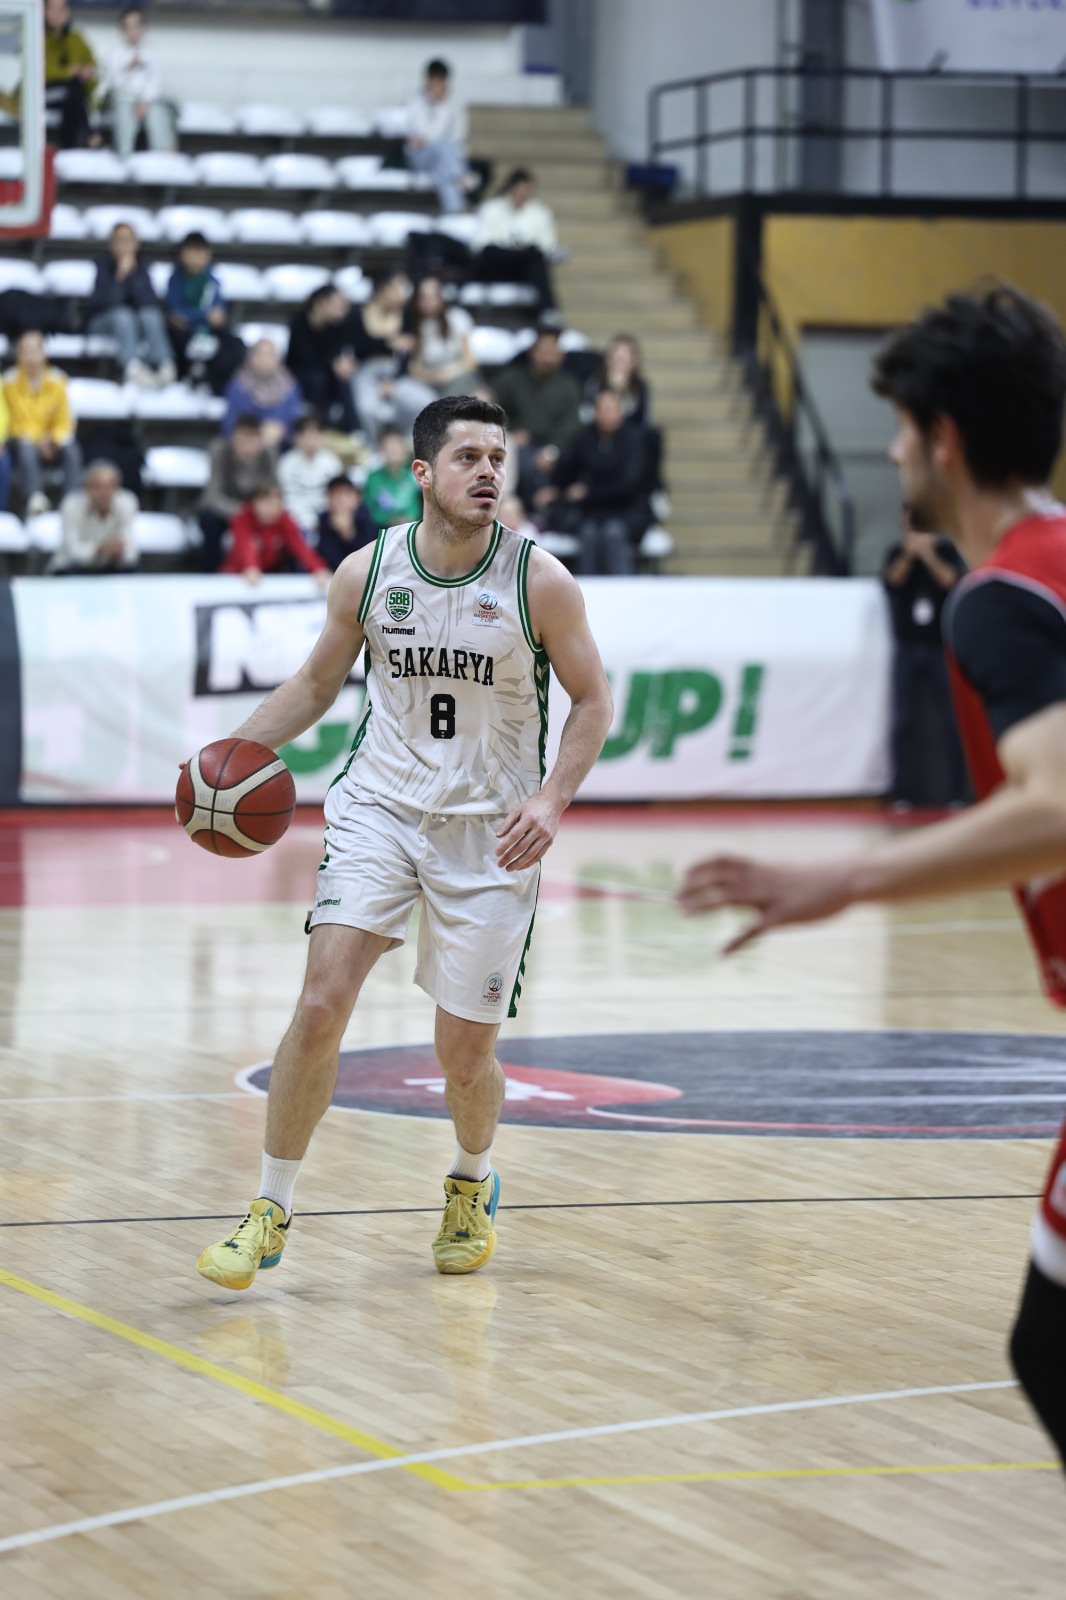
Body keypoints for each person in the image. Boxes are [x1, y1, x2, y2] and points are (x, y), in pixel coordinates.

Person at [677, 284, 1066, 1475]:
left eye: (898, 425)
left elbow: (1054, 805)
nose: (891, 448)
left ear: (941, 436)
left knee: (1051, 1351)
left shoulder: (999, 599)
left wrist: (837, 881)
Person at [195, 393, 613, 1292]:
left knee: (464, 1056)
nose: (489, 472)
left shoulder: (540, 580)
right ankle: (270, 1207)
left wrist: (552, 799)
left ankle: (471, 1179)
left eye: (498, 456)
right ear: (422, 473)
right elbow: (315, 681)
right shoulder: (368, 569)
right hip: (379, 808)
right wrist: (232, 757)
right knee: (319, 1005)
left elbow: (594, 701)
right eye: (468, 457)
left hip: (491, 836)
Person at [881, 509, 968, 808]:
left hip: (939, 647)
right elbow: (892, 581)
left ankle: (958, 792)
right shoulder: (896, 552)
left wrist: (928, 554)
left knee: (951, 720)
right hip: (906, 646)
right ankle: (901, 792)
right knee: (902, 720)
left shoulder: (945, 550)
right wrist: (909, 554)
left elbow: (951, 580)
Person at [540, 388, 652, 576]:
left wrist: (589, 492)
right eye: (602, 409)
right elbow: (568, 469)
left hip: (626, 510)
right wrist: (557, 490)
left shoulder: (635, 440)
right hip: (591, 512)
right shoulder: (585, 438)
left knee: (612, 533)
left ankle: (624, 588)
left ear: (621, 411)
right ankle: (586, 593)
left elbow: (630, 484)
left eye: (611, 409)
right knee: (588, 533)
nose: (607, 414)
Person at [493, 326, 584, 509]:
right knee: (520, 462)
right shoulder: (512, 380)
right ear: (532, 353)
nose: (547, 358)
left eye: (552, 352)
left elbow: (572, 423)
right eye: (542, 351)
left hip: (557, 445)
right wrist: (508, 433)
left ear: (561, 356)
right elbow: (492, 408)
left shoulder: (569, 385)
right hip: (519, 443)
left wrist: (552, 449)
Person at [86, 222, 175, 389]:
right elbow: (104, 304)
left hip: (132, 324)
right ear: (110, 244)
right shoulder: (102, 266)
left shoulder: (142, 268)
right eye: (120, 240)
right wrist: (120, 276)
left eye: (129, 240)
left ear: (137, 244)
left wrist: (133, 276)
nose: (125, 245)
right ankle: (132, 368)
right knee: (122, 314)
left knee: (150, 315)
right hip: (102, 322)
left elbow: (149, 303)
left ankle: (164, 365)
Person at [351, 269, 435, 446]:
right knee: (367, 408)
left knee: (425, 400)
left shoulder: (404, 315)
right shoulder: (358, 314)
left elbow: (406, 353)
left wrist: (395, 379)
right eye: (398, 287)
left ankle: (407, 447)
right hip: (367, 371)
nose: (402, 293)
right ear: (383, 288)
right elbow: (358, 348)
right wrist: (388, 343)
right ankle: (375, 448)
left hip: (396, 371)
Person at [4, 329, 82, 515]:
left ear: (44, 353)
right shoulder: (8, 382)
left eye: (35, 350)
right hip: (20, 440)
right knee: (25, 445)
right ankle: (35, 497)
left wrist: (53, 439)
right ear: (18, 355)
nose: (31, 356)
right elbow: (10, 422)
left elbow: (65, 419)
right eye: (26, 351)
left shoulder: (58, 381)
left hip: (50, 441)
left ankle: (72, 502)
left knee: (72, 448)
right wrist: (38, 439)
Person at [164, 232, 245, 396]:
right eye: (192, 253)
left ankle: (222, 388)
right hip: (184, 334)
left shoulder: (212, 281)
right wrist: (203, 316)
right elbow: (176, 314)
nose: (197, 258)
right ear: (182, 255)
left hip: (208, 332)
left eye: (201, 253)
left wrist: (214, 317)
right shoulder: (175, 280)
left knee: (236, 346)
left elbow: (218, 312)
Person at [197, 414, 276, 573]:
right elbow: (212, 494)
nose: (248, 443)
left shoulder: (268, 455)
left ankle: (272, 572)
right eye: (243, 438)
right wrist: (241, 511)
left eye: (252, 438)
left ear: (260, 440)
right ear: (234, 437)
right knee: (209, 520)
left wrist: (262, 509)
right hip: (225, 510)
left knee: (278, 522)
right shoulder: (220, 452)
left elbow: (271, 489)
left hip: (257, 511)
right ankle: (210, 574)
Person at [473, 169, 558, 312]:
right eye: (519, 190)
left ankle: (548, 313)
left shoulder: (541, 213)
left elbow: (547, 246)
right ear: (510, 188)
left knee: (535, 260)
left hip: (524, 265)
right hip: (498, 263)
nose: (523, 195)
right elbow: (480, 243)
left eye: (527, 191)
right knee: (491, 252)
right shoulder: (491, 208)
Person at [220, 480, 330, 587]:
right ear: (254, 502)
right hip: (238, 575)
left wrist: (318, 568)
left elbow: (299, 546)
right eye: (266, 502)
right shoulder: (242, 519)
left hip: (269, 575)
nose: (271, 508)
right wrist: (251, 567)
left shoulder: (284, 519)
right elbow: (245, 544)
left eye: (276, 502)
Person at [287, 284, 360, 437]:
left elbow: (344, 351)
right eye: (338, 305)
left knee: (344, 380)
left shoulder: (339, 325)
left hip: (328, 373)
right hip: (301, 374)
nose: (343, 310)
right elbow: (305, 358)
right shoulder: (299, 323)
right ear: (319, 303)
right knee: (318, 379)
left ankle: (355, 431)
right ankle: (322, 426)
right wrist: (333, 364)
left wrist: (345, 364)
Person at [104, 6, 174, 158]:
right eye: (128, 27)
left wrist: (144, 101)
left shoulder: (151, 52)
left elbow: (155, 81)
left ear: (143, 29)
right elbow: (114, 83)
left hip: (147, 101)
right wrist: (129, 68)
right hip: (123, 99)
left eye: (137, 26)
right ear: (122, 30)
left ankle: (163, 159)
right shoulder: (115, 53)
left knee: (158, 115)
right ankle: (124, 157)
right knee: (124, 117)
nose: (133, 31)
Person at [50, 459, 137, 574]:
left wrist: (119, 552)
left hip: (111, 566)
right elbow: (71, 550)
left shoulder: (127, 503)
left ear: (117, 488)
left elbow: (131, 551)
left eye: (109, 486)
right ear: (86, 487)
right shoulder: (71, 505)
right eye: (97, 487)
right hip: (74, 567)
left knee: (132, 572)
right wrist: (99, 550)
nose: (104, 492)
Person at [405, 58, 468, 216]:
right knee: (444, 147)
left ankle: (454, 210)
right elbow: (424, 135)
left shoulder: (455, 105)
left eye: (442, 82)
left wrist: (442, 106)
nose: (439, 87)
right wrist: (439, 106)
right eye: (435, 82)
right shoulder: (415, 103)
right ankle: (460, 176)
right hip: (420, 156)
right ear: (428, 81)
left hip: (445, 157)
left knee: (444, 169)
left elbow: (459, 136)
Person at [223, 339, 304, 448]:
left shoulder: (290, 386)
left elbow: (296, 421)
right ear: (251, 358)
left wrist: (281, 431)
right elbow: (229, 423)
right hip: (246, 446)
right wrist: (258, 432)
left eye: (270, 355)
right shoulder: (239, 385)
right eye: (260, 354)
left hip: (282, 445)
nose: (265, 360)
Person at [407, 276, 478, 398]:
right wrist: (432, 377)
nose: (429, 302)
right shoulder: (415, 325)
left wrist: (450, 372)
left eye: (433, 296)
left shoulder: (457, 317)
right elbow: (414, 367)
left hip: (459, 374)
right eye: (424, 297)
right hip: (429, 382)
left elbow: (470, 361)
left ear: (441, 297)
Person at [44, 0, 99, 151]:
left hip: (74, 95)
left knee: (73, 94)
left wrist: (87, 75)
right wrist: (68, 72)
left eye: (62, 8)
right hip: (43, 94)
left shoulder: (77, 38)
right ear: (43, 11)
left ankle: (70, 148)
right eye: (53, 9)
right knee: (71, 91)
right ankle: (89, 135)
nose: (58, 13)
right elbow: (41, 71)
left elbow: (94, 76)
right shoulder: (36, 37)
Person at [278, 413, 342, 536]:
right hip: (295, 522)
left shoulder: (332, 461)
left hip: (327, 519)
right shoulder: (286, 464)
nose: (311, 440)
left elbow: (337, 496)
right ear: (297, 437)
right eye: (306, 435)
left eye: (315, 434)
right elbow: (285, 499)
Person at [362, 426, 422, 531]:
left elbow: (422, 506)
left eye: (397, 444)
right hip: (382, 532)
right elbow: (368, 510)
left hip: (414, 530)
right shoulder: (373, 479)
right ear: (381, 449)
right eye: (389, 445)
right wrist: (389, 520)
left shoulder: (415, 475)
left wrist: (409, 519)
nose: (393, 449)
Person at [581, 334, 650, 426]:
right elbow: (585, 414)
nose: (618, 361)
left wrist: (620, 390)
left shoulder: (640, 387)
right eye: (616, 355)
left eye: (624, 357)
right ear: (608, 359)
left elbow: (641, 421)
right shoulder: (594, 383)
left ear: (633, 361)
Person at [314, 473, 376, 571]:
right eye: (334, 494)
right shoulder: (325, 520)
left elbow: (370, 555)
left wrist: (348, 533)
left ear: (356, 498)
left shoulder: (366, 516)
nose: (340, 500)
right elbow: (328, 558)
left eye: (345, 494)